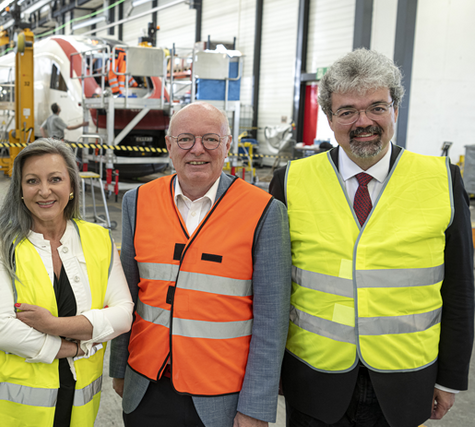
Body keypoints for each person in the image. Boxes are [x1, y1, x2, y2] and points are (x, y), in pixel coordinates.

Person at [268, 49, 474, 427]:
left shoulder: (441, 180)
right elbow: (274, 286)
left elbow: (460, 290)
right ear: (329, 118)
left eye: (377, 107)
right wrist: (270, 370)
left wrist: (450, 377)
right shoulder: (290, 181)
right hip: (314, 379)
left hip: (406, 379)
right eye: (347, 111)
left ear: (395, 108)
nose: (364, 122)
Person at [110, 101, 292, 427]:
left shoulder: (264, 211)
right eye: (185, 139)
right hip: (145, 388)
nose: (198, 150)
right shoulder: (137, 202)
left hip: (219, 398)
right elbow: (127, 295)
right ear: (169, 145)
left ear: (227, 145)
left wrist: (255, 407)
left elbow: (272, 324)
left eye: (210, 139)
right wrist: (120, 369)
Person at [0, 139, 133, 426]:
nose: (44, 190)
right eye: (32, 181)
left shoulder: (98, 239)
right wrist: (75, 347)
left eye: (55, 179)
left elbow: (123, 314)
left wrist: (53, 326)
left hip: (78, 405)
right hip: (8, 411)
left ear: (71, 187)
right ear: (20, 191)